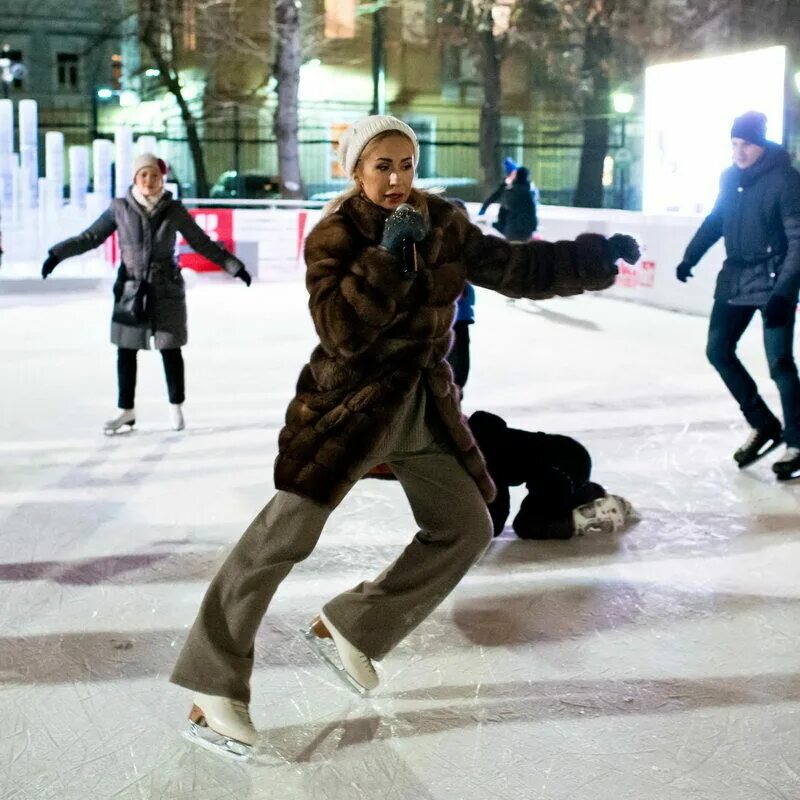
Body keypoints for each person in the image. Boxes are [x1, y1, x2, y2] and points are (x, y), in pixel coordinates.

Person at [169, 114, 640, 759]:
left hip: (423, 404)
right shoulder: (335, 234)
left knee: (467, 525)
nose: (396, 179)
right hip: (351, 409)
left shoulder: (442, 222)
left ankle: (353, 626)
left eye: (406, 165)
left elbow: (513, 265)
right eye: (381, 166)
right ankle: (213, 686)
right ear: (355, 171)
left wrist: (590, 257)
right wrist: (388, 257)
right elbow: (340, 331)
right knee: (283, 539)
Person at [42, 153, 252, 434]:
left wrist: (234, 266)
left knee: (170, 348)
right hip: (131, 289)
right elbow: (90, 237)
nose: (149, 181)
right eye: (144, 175)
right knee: (126, 350)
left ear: (161, 178)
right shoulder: (120, 208)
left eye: (154, 175)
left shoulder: (173, 209)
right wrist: (56, 255)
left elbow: (201, 242)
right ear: (135, 178)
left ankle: (175, 405)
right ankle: (125, 410)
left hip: (166, 289)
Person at [676, 111, 800, 480]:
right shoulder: (730, 178)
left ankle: (797, 440)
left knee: (779, 363)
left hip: (775, 281)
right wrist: (690, 255)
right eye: (734, 143)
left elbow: (798, 240)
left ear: (760, 144)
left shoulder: (786, 181)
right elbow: (717, 219)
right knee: (718, 350)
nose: (739, 151)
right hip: (736, 278)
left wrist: (785, 292)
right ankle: (763, 423)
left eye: (745, 143)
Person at [468, 410, 633, 538]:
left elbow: (495, 521)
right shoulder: (475, 438)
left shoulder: (486, 455)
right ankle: (586, 492)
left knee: (529, 526)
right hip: (567, 455)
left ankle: (594, 508)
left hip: (563, 466)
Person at [499, 166, 538, 242]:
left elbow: (505, 205)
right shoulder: (529, 192)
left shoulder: (511, 191)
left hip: (512, 226)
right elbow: (532, 210)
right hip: (526, 227)